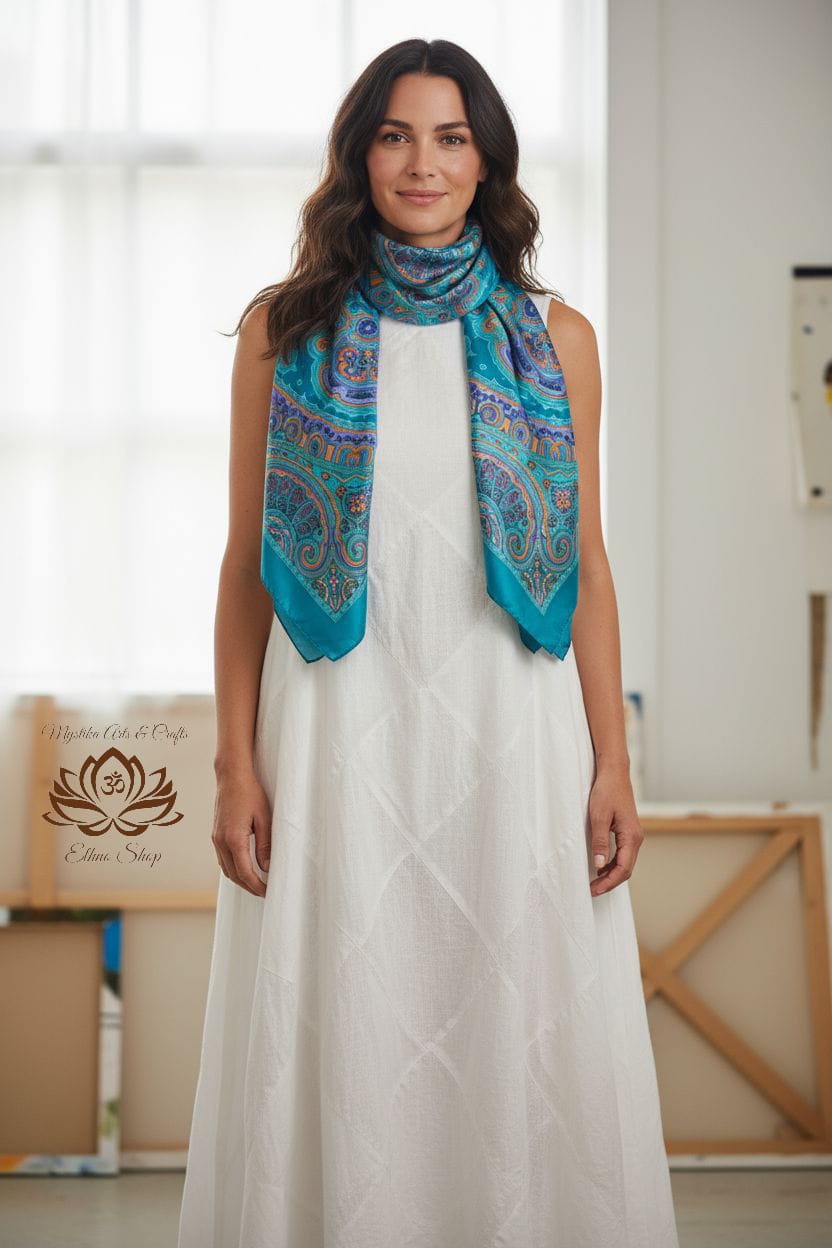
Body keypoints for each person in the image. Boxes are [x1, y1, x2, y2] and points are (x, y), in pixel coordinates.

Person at [177, 37, 680, 1248]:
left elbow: (585, 562)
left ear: (486, 160)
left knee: (514, 1003)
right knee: (340, 997)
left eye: (450, 138)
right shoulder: (282, 331)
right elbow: (246, 566)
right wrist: (234, 763)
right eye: (395, 136)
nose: (422, 163)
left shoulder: (556, 336)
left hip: (508, 732)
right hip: (334, 731)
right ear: (359, 156)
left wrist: (612, 763)